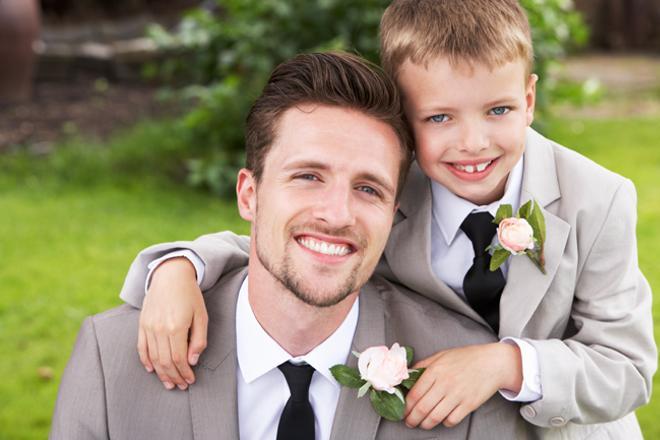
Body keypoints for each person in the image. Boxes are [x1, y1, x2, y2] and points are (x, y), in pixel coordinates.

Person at [118, 0, 657, 438]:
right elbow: (296, 242)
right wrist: (179, 267)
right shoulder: (388, 190)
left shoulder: (597, 198)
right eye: (440, 117)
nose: (473, 142)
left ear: (530, 97)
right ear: (404, 116)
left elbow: (628, 368)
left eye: (498, 110)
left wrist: (504, 364)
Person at [50, 52, 527, 440]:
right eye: (307, 177)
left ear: (393, 212)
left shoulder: (466, 376)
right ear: (249, 194)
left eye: (368, 189)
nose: (337, 215)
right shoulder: (110, 358)